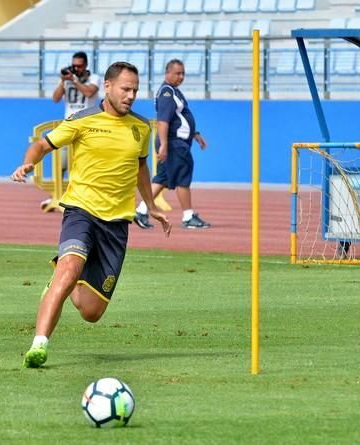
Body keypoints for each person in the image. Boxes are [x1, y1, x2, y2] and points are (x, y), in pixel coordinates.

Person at [12, 61, 171, 368]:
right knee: (69, 268)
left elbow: (140, 166)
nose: (131, 95)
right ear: (108, 87)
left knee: (91, 312)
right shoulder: (81, 120)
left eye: (135, 90)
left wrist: (150, 205)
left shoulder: (140, 128)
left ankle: (63, 282)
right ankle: (39, 345)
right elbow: (42, 146)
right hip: (80, 211)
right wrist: (27, 164)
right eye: (125, 89)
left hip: (116, 225)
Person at [134, 59, 211, 230]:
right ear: (167, 73)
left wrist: (195, 134)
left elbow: (179, 118)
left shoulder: (173, 91)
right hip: (174, 143)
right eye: (177, 73)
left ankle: (141, 210)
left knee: (163, 178)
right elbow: (163, 121)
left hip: (174, 142)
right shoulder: (167, 93)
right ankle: (188, 216)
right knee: (183, 178)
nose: (181, 76)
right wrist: (164, 145)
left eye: (183, 73)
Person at [39, 51, 100, 211]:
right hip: (70, 125)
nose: (76, 68)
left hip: (88, 126)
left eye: (79, 66)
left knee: (87, 165)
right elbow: (55, 98)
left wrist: (74, 79)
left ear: (86, 65)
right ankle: (57, 195)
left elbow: (89, 92)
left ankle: (87, 198)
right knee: (62, 162)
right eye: (74, 66)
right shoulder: (68, 79)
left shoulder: (94, 77)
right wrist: (62, 82)